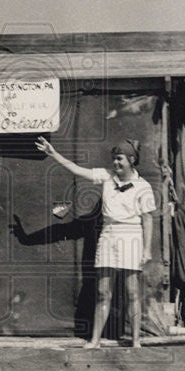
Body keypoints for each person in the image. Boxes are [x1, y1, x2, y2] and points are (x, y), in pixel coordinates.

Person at [35, 136, 156, 348]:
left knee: (132, 292)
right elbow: (76, 169)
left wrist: (146, 250)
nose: (115, 163)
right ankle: (95, 340)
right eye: (114, 159)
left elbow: (148, 219)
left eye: (119, 159)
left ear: (131, 160)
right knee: (102, 292)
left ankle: (137, 341)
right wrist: (53, 153)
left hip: (131, 237)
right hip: (108, 235)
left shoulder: (143, 187)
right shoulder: (106, 176)